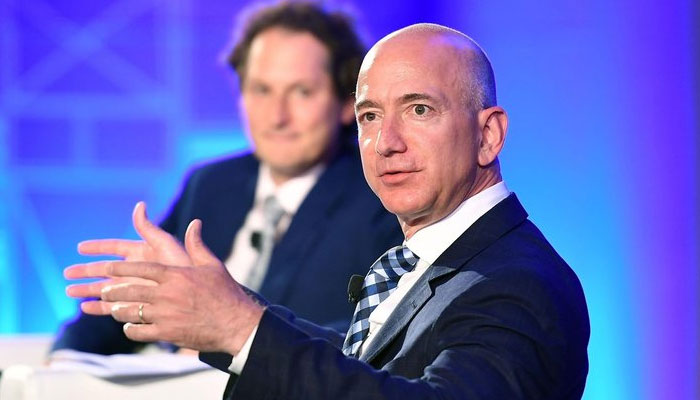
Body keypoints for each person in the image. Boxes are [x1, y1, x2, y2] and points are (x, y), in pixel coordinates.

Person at [65, 23, 590, 399]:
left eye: (419, 109)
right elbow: (364, 363)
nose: (387, 142)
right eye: (370, 116)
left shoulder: (520, 284)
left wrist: (241, 328)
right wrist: (226, 311)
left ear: (489, 134)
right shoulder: (432, 259)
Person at [52, 2, 403, 355]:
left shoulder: (382, 199)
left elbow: (377, 336)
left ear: (347, 104)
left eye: (302, 92)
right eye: (261, 90)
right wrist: (64, 359)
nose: (277, 116)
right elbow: (119, 306)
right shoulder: (210, 184)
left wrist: (222, 344)